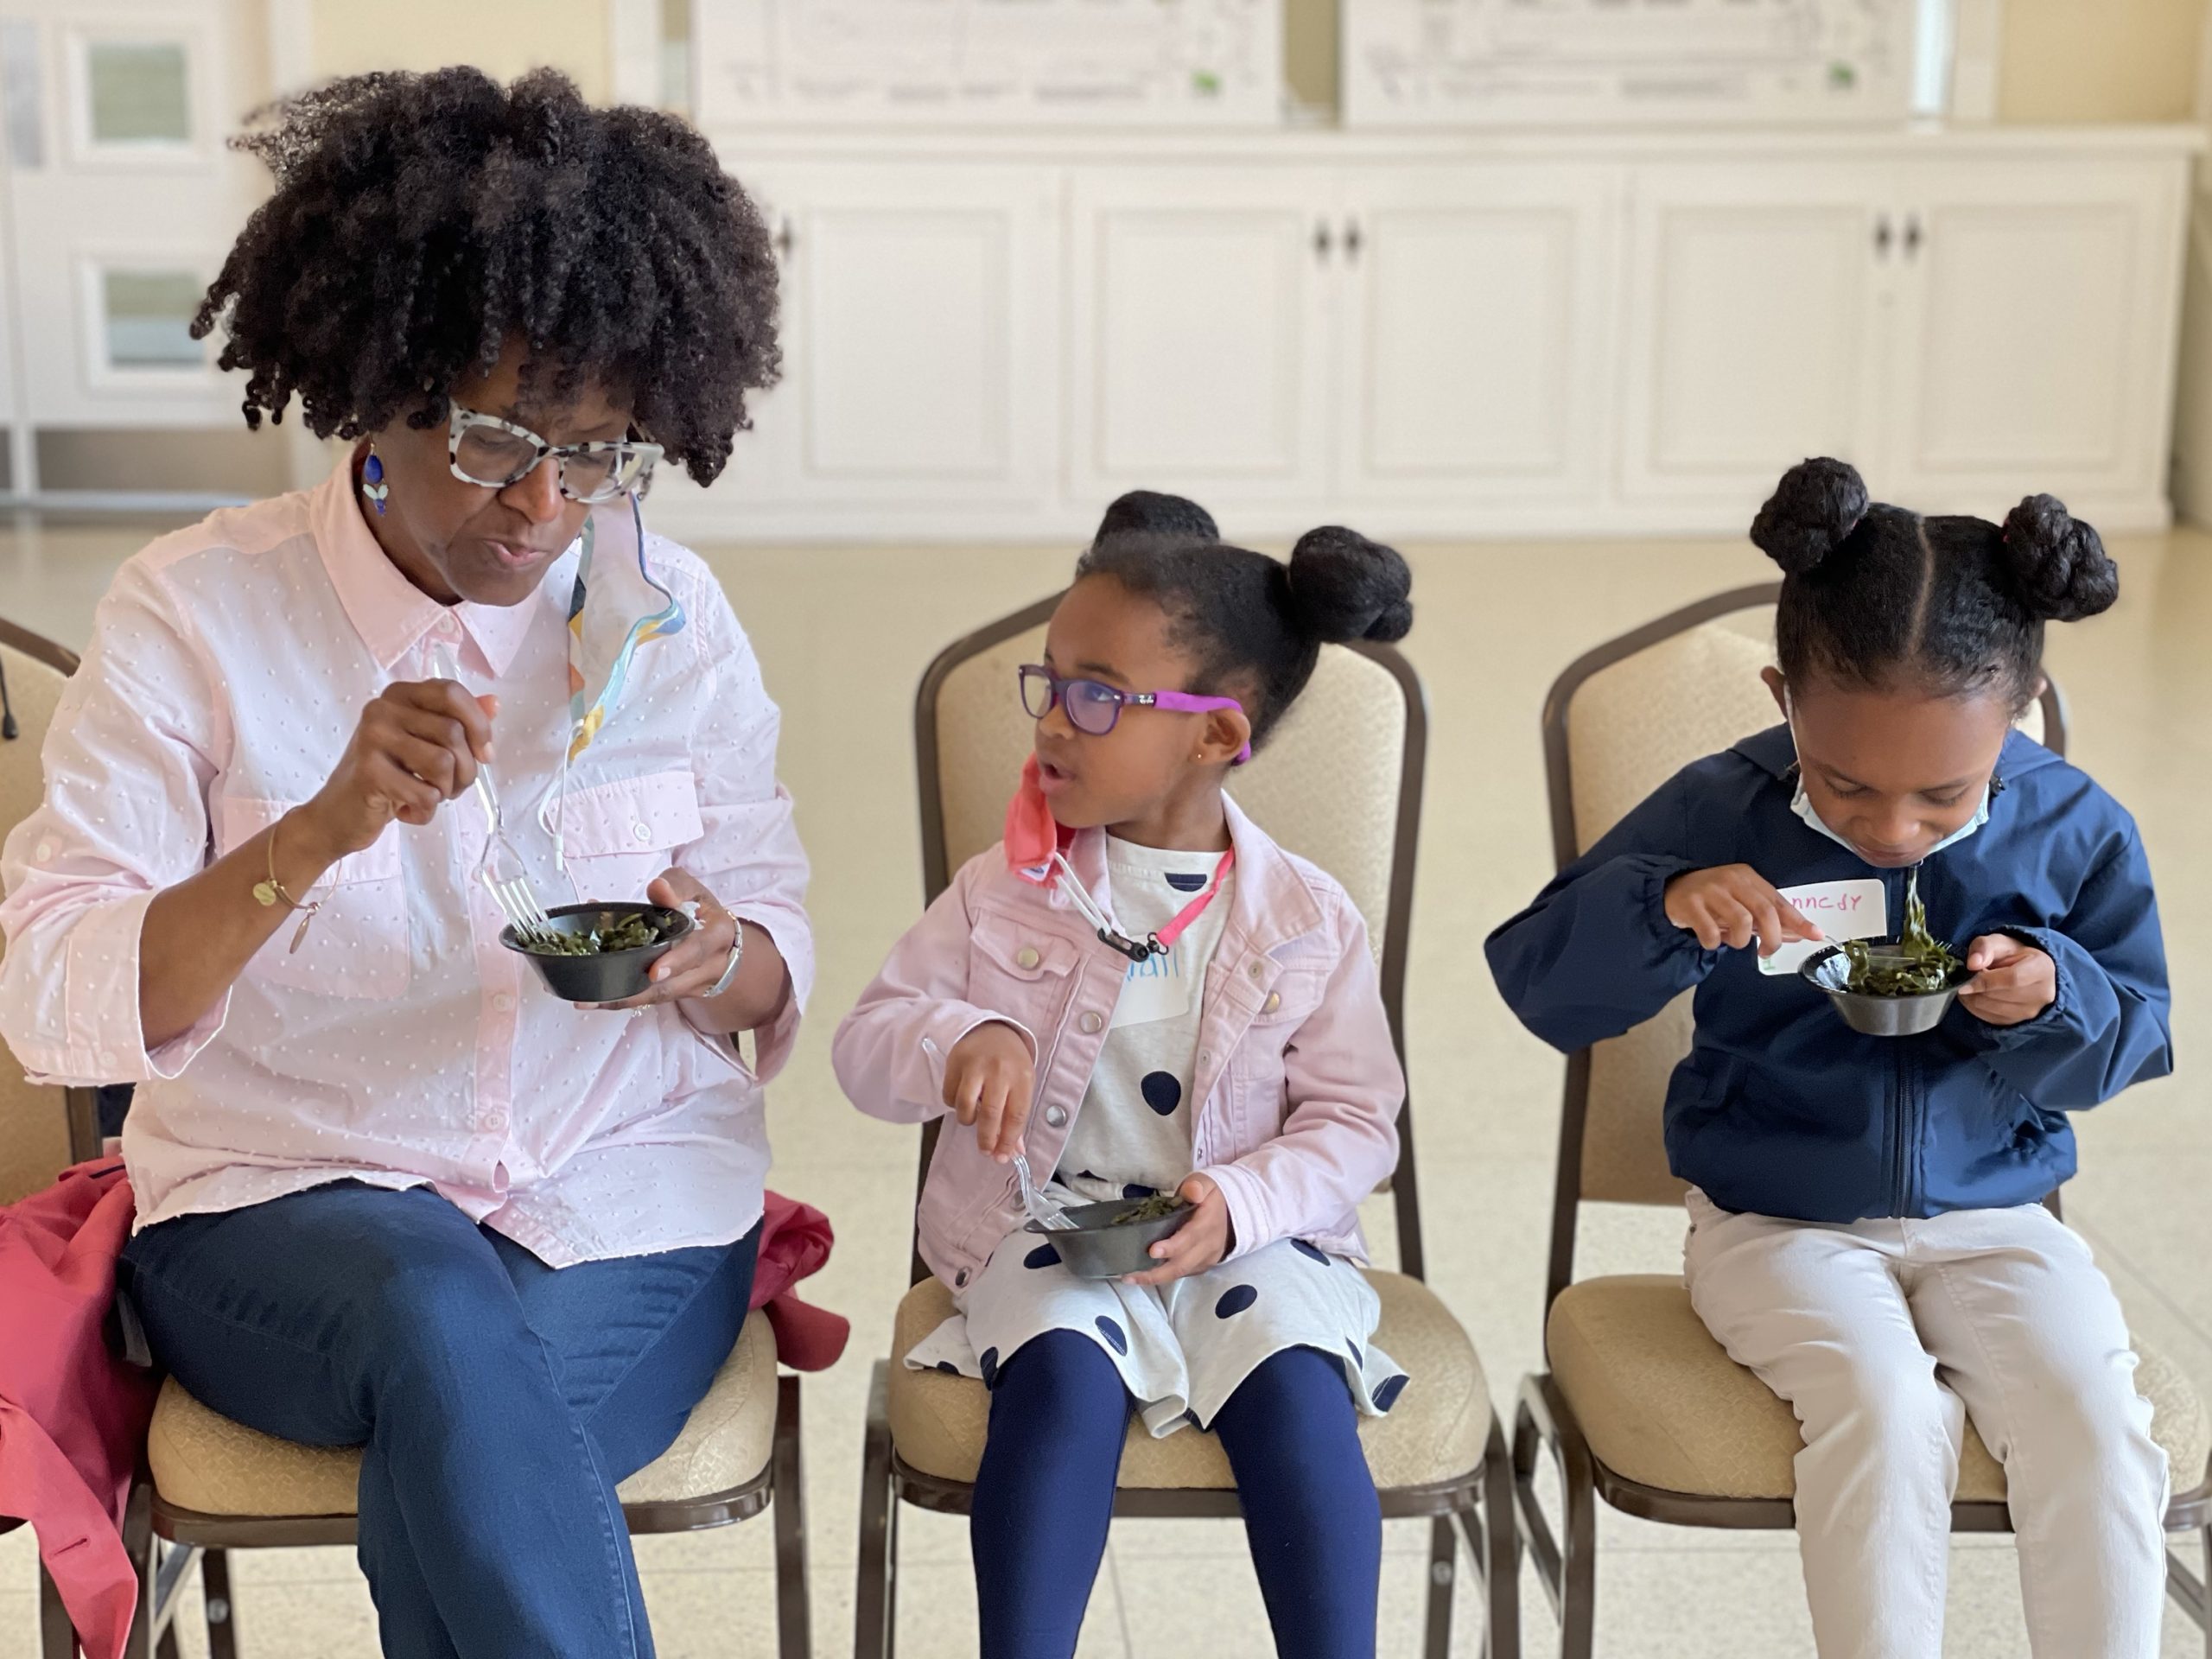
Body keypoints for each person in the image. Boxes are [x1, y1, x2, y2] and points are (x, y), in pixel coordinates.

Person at [0, 68, 808, 1659]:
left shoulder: (672, 617)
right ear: (375, 388)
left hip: (624, 1187)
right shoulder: (193, 617)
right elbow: (53, 998)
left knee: (466, 1446)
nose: (544, 507)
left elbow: (775, 948)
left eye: (599, 453)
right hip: (283, 1201)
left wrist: (723, 957)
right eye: (497, 441)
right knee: (443, 1329)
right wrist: (310, 834)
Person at [1487, 457, 2173, 1659]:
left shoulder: (2075, 825)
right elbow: (1541, 978)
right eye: (1847, 784)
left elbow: (2136, 1036)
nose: (1893, 829)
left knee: (2095, 1424)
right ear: (1784, 697)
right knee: (1888, 1410)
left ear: (2021, 709)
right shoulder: (1721, 806)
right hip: (1774, 1223)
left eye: (1943, 795)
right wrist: (1667, 907)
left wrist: (2055, 995)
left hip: (1998, 1215)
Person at [834, 493, 1414, 1659]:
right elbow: (866, 1047)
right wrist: (959, 1039)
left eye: (1096, 696)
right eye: (1049, 684)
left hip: (1250, 1242)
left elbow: (1359, 1122)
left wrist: (1244, 1201)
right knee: (1058, 1386)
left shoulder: (1307, 919)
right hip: (1045, 1231)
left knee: (1298, 1396)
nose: (1054, 721)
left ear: (1215, 734)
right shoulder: (1001, 890)